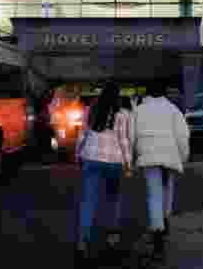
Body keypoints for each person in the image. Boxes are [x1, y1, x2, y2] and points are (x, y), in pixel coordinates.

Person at [131, 78, 190, 261]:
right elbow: (183, 136)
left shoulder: (139, 110)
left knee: (154, 195)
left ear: (148, 93)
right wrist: (182, 158)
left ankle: (158, 241)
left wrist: (133, 156)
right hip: (169, 156)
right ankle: (163, 224)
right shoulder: (173, 110)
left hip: (149, 158)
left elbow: (131, 135)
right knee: (167, 191)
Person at [74, 81, 131, 264]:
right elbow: (124, 140)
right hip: (114, 162)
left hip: (91, 158)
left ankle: (82, 243)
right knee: (113, 201)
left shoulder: (90, 110)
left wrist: (77, 154)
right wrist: (128, 163)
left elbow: (82, 134)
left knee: (88, 201)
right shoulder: (123, 114)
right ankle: (111, 241)